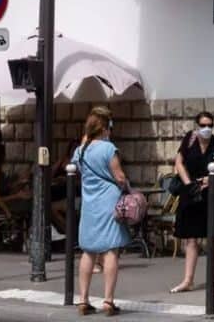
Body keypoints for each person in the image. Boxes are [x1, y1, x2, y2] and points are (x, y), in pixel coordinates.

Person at [74, 106, 132, 316]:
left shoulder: (81, 150)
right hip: (109, 202)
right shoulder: (109, 149)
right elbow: (119, 177)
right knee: (110, 251)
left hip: (89, 204)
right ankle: (108, 300)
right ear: (106, 128)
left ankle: (83, 299)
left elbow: (77, 169)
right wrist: (126, 184)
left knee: (88, 251)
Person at [169, 110, 214, 293]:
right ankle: (188, 280)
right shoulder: (189, 139)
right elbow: (178, 162)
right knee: (191, 237)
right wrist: (188, 183)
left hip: (211, 192)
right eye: (203, 125)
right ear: (197, 126)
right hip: (191, 191)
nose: (207, 128)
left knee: (213, 236)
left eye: (210, 125)